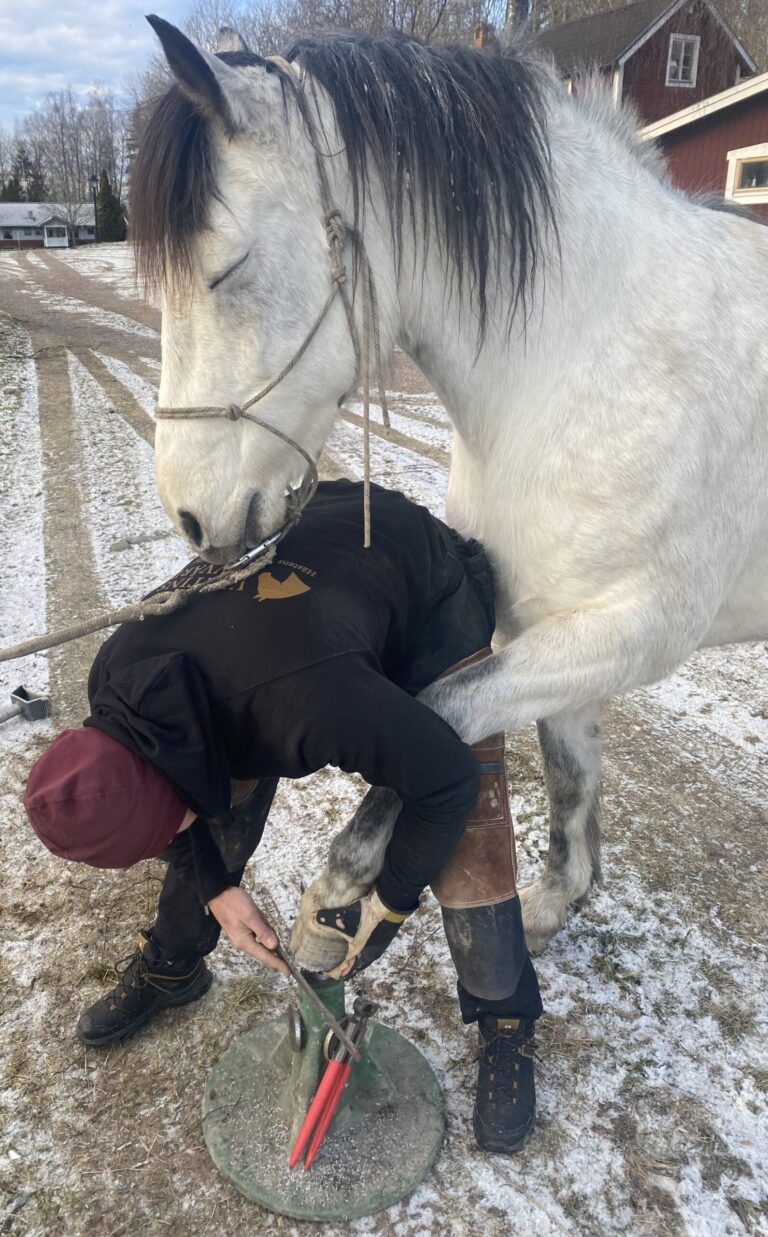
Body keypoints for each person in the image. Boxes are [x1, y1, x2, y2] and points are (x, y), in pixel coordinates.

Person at [24, 480, 543, 1155]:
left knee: (463, 823)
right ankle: (175, 965)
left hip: (423, 580)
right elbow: (181, 815)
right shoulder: (116, 678)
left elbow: (447, 779)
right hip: (304, 603)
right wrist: (215, 884)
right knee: (210, 814)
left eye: (165, 825)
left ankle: (505, 1016)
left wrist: (387, 903)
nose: (175, 836)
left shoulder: (311, 703)